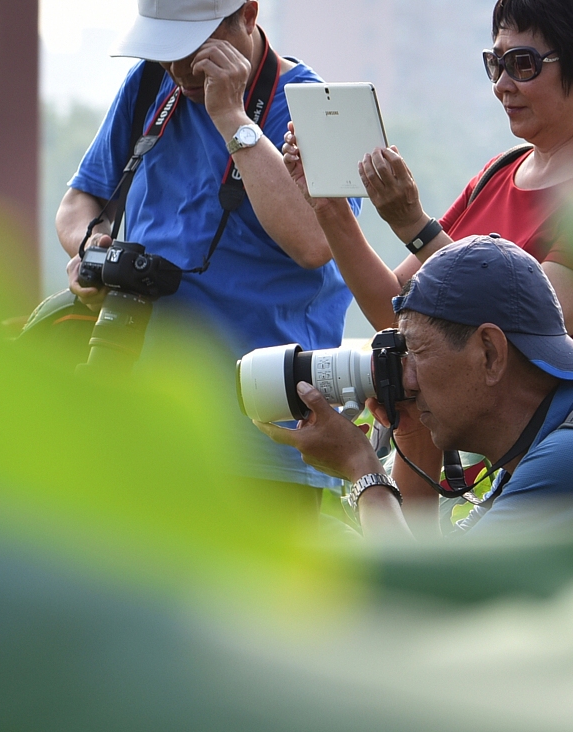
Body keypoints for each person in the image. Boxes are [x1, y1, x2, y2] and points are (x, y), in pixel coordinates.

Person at [56, 0, 359, 509]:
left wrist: (231, 117)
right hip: (148, 416)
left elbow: (315, 244)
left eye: (191, 48)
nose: (178, 68)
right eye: (164, 49)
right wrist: (93, 250)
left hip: (264, 440)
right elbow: (80, 203)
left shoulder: (321, 106)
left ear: (247, 14)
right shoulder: (150, 85)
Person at [283, 0, 573, 396]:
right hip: (463, 453)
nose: (502, 85)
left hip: (553, 450)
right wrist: (328, 206)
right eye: (496, 64)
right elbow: (392, 311)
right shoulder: (497, 173)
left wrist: (414, 226)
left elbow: (523, 331)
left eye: (522, 64)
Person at [257, 235, 573, 539]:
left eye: (416, 353)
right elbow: (439, 565)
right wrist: (414, 439)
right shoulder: (548, 442)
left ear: (490, 353)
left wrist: (362, 469)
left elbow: (428, 606)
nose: (406, 379)